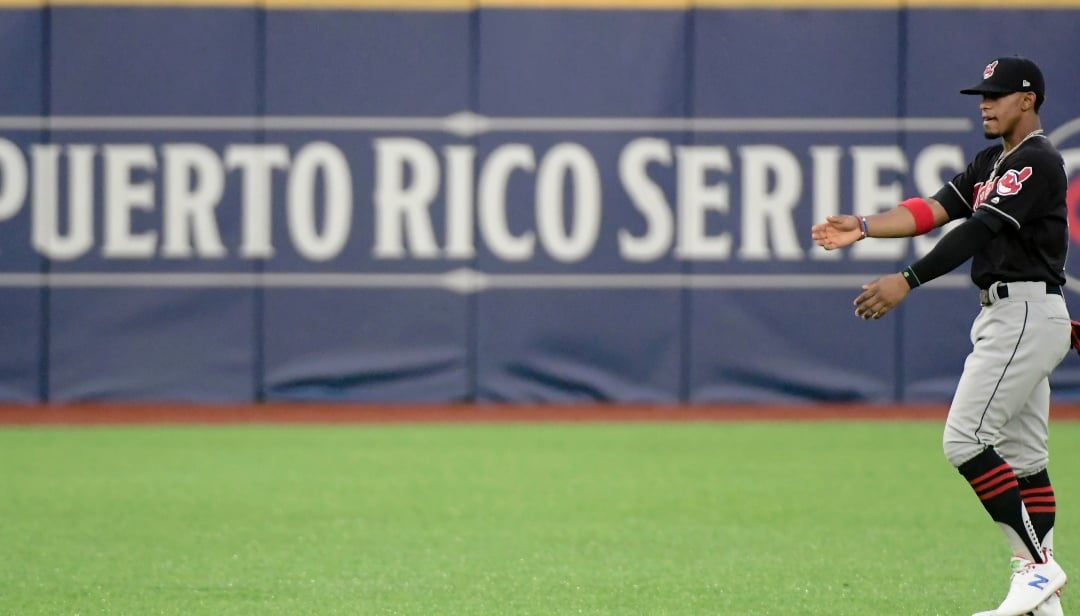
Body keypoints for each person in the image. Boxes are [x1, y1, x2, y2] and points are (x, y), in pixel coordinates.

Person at [811, 55, 1070, 616]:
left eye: (997, 94)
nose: (985, 102)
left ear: (1028, 100)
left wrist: (908, 278)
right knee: (1024, 459)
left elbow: (979, 229)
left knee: (965, 440)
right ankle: (1043, 602)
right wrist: (864, 225)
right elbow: (935, 208)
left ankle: (1037, 568)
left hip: (1022, 313)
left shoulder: (1036, 162)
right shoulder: (991, 161)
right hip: (1023, 313)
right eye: (982, 93)